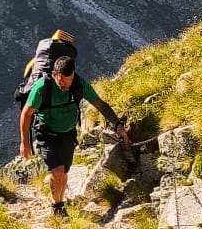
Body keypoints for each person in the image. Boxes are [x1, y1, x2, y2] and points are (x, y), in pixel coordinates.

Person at [19, 55, 129, 218]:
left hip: (68, 133)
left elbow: (100, 105)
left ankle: (59, 200)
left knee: (64, 172)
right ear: (54, 74)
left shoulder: (78, 84)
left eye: (69, 81)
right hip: (47, 133)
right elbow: (26, 114)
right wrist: (25, 142)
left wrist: (118, 124)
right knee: (58, 171)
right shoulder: (42, 88)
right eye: (63, 83)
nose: (67, 86)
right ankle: (57, 206)